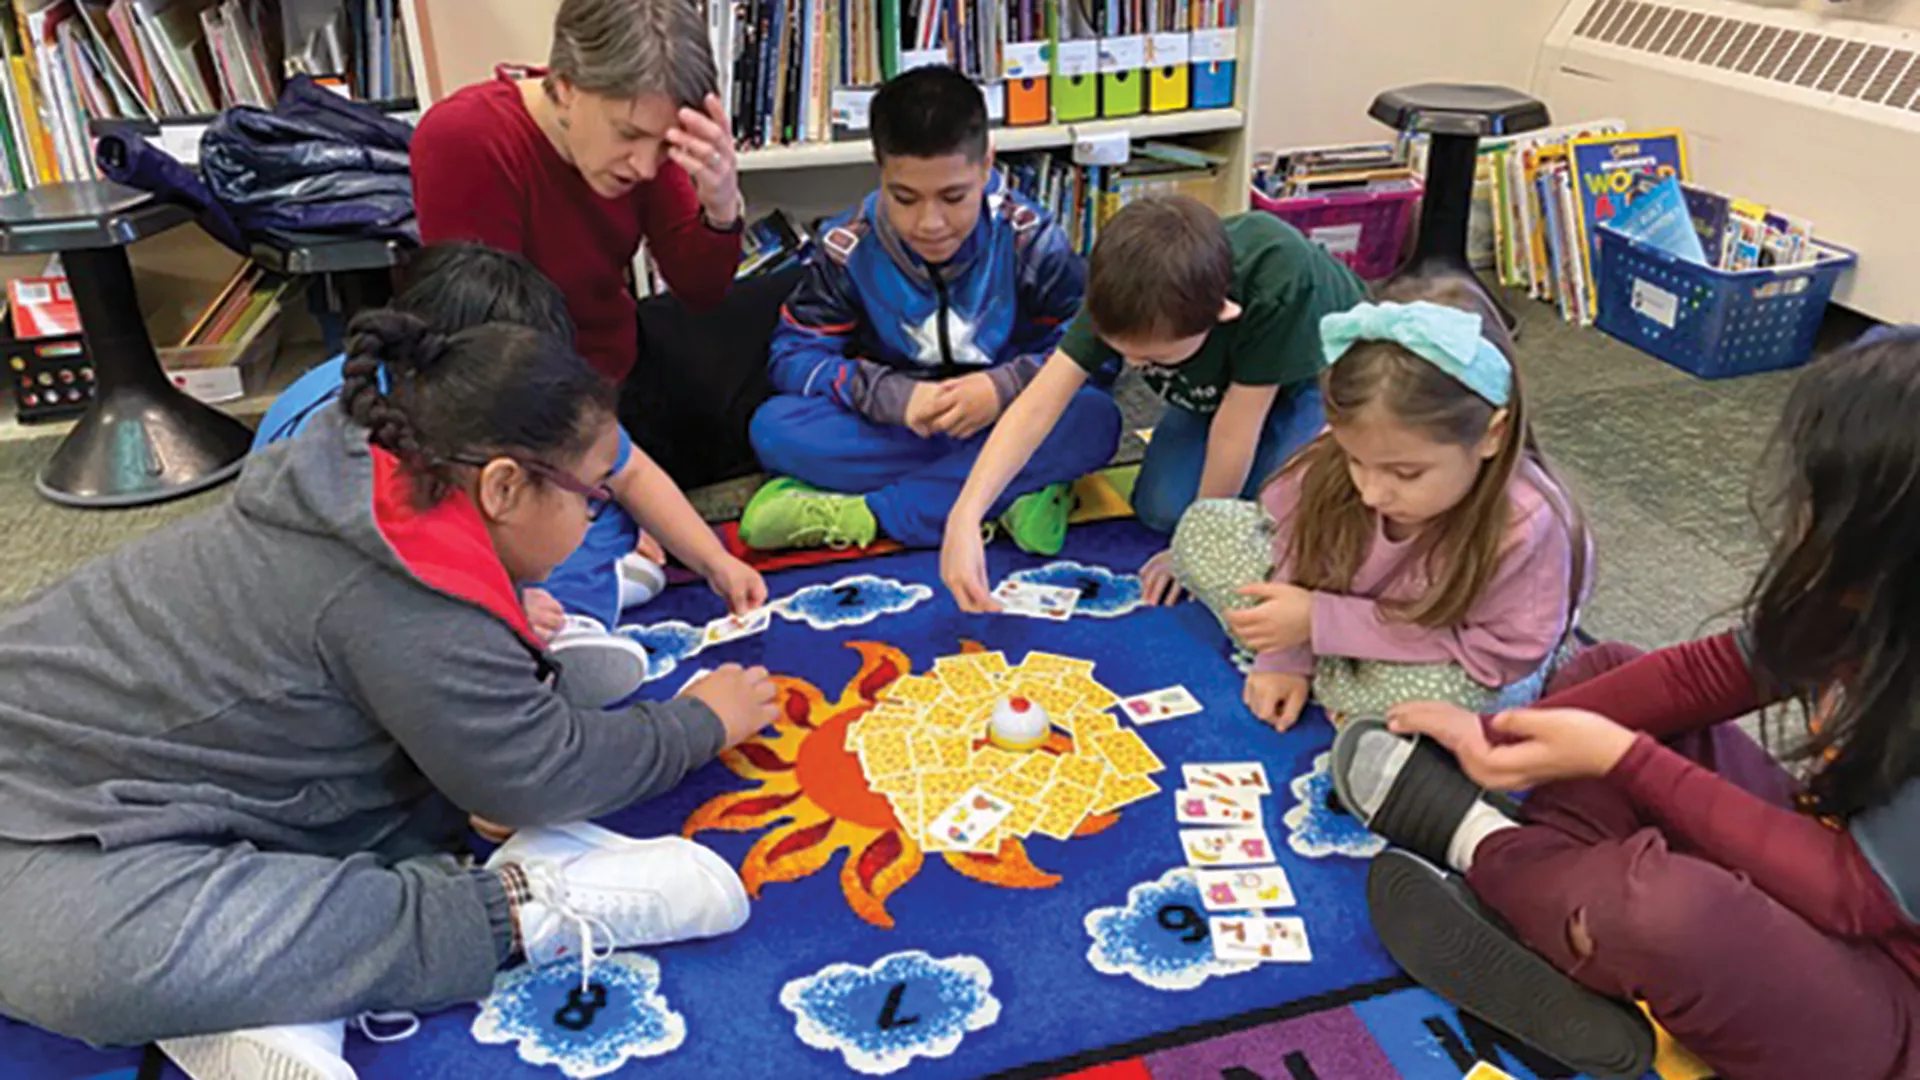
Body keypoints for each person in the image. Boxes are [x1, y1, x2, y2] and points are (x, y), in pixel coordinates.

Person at [0, 310, 781, 1080]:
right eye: (592, 497)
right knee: (88, 963)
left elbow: (524, 765)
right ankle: (516, 905)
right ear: (504, 487)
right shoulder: (403, 574)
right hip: (77, 794)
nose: (596, 514)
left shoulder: (393, 493)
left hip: (168, 777)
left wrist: (670, 725)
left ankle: (460, 886)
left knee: (97, 949)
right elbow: (534, 772)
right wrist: (697, 724)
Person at [1331, 334, 1920, 1080]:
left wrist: (1623, 761)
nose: (1796, 519)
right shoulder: (1860, 604)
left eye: (1822, 502)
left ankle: (1484, 850)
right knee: (1607, 674)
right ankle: (1567, 924)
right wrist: (1495, 732)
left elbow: (1854, 898)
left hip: (1892, 1020)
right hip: (1832, 871)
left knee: (1669, 913)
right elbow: (1711, 673)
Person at [255, 243, 767, 647]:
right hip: (355, 610)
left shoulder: (467, 411)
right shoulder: (353, 460)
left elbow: (624, 467)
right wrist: (502, 605)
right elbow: (364, 607)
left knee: (579, 528)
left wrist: (713, 562)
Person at [1168, 275, 1589, 731]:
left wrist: (1319, 622)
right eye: (1356, 460)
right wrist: (1285, 653)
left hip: (1457, 649)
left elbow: (1499, 654)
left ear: (1492, 435)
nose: (1372, 492)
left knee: (1467, 701)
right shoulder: (1353, 452)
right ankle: (1346, 679)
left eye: (1405, 474)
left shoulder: (1525, 522)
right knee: (1202, 527)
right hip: (1350, 616)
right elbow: (1296, 549)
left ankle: (1346, 674)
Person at [738, 65, 1115, 556]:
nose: (930, 223)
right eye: (905, 197)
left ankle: (869, 515)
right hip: (900, 424)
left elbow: (1098, 355)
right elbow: (792, 357)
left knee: (1096, 420)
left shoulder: (1032, 240)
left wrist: (1003, 389)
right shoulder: (847, 246)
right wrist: (889, 396)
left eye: (954, 196)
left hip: (1007, 417)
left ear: (987, 166)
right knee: (773, 429)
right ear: (880, 171)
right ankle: (1009, 488)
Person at [941, 194, 1366, 612]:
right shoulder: (1125, 292)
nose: (1130, 366)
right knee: (1161, 507)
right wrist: (965, 515)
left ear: (1221, 314)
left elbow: (1236, 427)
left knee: (1280, 510)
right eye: (1120, 351)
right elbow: (1037, 404)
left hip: (1321, 374)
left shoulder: (1277, 282)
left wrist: (1193, 548)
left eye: (1150, 360)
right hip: (1215, 385)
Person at [409, 0, 758, 480]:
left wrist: (721, 206)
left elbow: (700, 290)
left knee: (784, 307)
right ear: (567, 87)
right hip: (532, 397)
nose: (646, 166)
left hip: (618, 364)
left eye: (665, 146)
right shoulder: (466, 138)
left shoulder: (646, 136)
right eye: (628, 135)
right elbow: (486, 356)